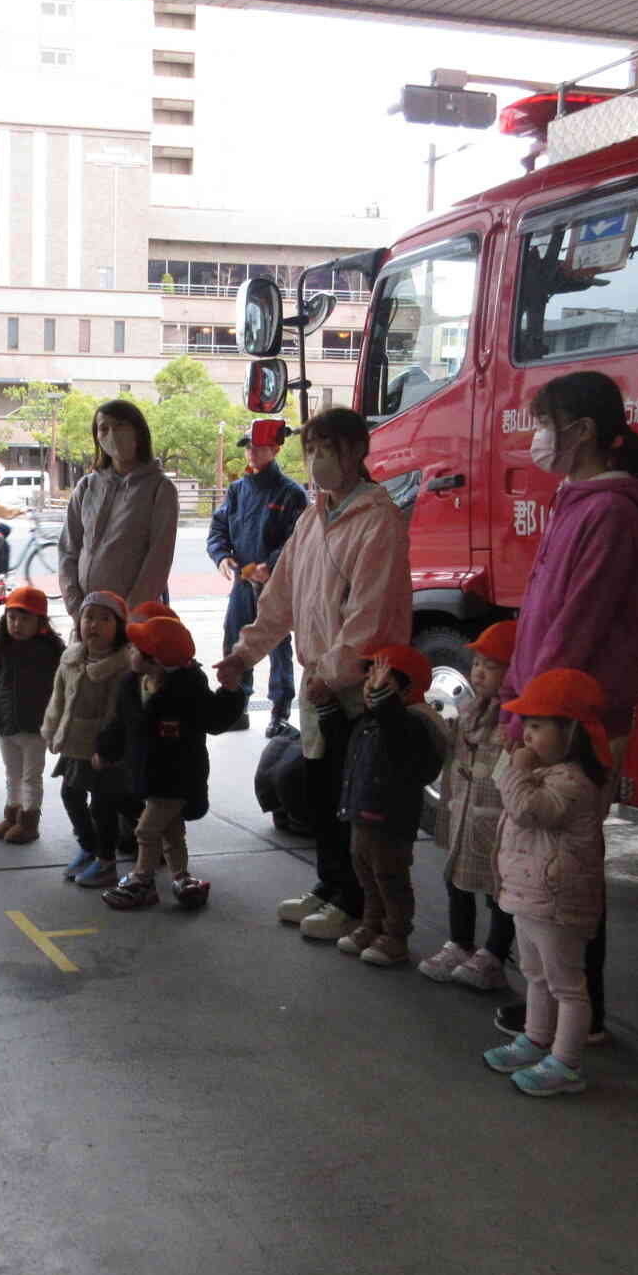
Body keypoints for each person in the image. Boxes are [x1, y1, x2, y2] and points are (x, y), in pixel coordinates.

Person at [493, 371, 638, 1047]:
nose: (536, 437)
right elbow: (546, 620)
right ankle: (551, 1002)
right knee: (540, 862)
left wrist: (527, 720)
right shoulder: (579, 499)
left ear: (580, 432)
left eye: (544, 423)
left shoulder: (608, 512)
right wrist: (517, 702)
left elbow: (575, 629)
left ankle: (583, 1013)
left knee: (566, 869)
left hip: (572, 721)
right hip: (548, 714)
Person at [215, 407, 411, 942]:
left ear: (354, 453)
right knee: (323, 794)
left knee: (356, 804)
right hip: (319, 685)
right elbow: (281, 600)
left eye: (326, 449)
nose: (316, 460)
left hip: (359, 688)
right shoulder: (312, 516)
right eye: (312, 450)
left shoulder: (378, 521)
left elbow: (369, 616)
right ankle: (330, 887)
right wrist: (242, 656)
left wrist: (333, 672)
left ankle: (355, 901)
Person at [483, 668, 613, 1098]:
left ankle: (567, 1062)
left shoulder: (574, 783)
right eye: (527, 727)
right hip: (531, 896)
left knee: (566, 986)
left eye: (537, 727)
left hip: (557, 902)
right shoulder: (546, 774)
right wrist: (515, 764)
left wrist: (516, 770)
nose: (528, 737)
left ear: (571, 732)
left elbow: (527, 810)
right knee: (535, 974)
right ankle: (537, 1039)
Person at [94, 614, 246, 910]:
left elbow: (215, 719)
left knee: (146, 830)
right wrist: (106, 750)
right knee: (171, 831)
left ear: (156, 661)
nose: (130, 652)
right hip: (147, 774)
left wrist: (230, 692)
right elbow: (119, 725)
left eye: (137, 650)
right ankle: (181, 876)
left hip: (178, 778)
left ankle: (142, 880)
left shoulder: (187, 690)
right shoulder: (131, 684)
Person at [325, 645, 449, 968]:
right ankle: (371, 925)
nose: (371, 689)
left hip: (390, 820)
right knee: (366, 876)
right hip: (362, 815)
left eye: (383, 683)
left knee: (390, 879)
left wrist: (385, 704)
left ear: (406, 688)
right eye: (368, 681)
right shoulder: (370, 721)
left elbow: (401, 739)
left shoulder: (413, 724)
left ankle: (395, 937)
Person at [420, 621, 518, 989]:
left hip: (494, 824)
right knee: (456, 881)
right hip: (464, 815)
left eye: (490, 666)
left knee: (499, 890)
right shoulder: (471, 711)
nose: (478, 671)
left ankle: (494, 954)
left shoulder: (515, 723)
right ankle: (460, 943)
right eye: (476, 662)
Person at [207, 419, 308, 738]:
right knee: (235, 638)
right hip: (242, 580)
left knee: (277, 643)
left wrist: (272, 564)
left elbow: (297, 540)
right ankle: (236, 706)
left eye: (260, 447)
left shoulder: (291, 493)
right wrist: (222, 556)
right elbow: (219, 528)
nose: (252, 452)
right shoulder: (237, 490)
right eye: (249, 446)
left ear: (276, 449)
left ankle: (279, 712)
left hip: (275, 583)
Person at [58, 400, 181, 621]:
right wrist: (76, 607)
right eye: (104, 428)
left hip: (133, 621)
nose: (112, 434)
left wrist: (128, 616)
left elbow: (158, 561)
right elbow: (68, 550)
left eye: (120, 425)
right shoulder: (86, 487)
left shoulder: (160, 489)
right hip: (87, 618)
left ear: (138, 431)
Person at [41, 590, 132, 888]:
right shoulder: (71, 657)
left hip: (102, 751)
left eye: (104, 619)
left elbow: (115, 714)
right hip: (73, 744)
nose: (93, 624)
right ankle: (88, 846)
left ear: (119, 626)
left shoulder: (121, 666)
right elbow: (57, 700)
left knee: (103, 806)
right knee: (70, 795)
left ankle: (106, 860)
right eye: (88, 617)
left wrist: (106, 749)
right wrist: (51, 731)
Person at [0, 585, 66, 845]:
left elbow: (64, 688)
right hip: (6, 725)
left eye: (25, 618)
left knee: (31, 776)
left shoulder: (52, 652)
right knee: (12, 773)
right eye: (12, 617)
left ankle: (29, 822)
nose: (17, 624)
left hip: (37, 728)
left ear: (41, 622)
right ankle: (12, 814)